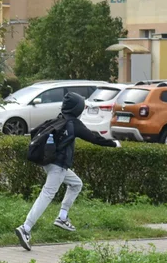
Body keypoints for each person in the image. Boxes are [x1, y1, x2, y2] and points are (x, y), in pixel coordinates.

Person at [14, 91, 119, 251]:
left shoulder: (59, 119)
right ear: (77, 109)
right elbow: (93, 138)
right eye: (82, 107)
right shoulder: (74, 124)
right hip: (58, 166)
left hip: (49, 163)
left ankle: (62, 217)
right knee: (47, 195)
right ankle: (26, 228)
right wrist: (114, 144)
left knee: (76, 184)